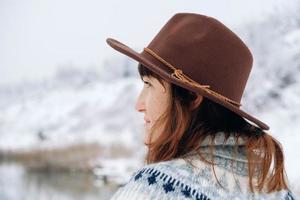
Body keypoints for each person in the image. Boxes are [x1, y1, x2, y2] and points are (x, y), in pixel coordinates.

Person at [106, 13, 296, 200]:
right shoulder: (278, 192)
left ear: (191, 97)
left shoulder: (156, 186)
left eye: (149, 85)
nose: (139, 105)